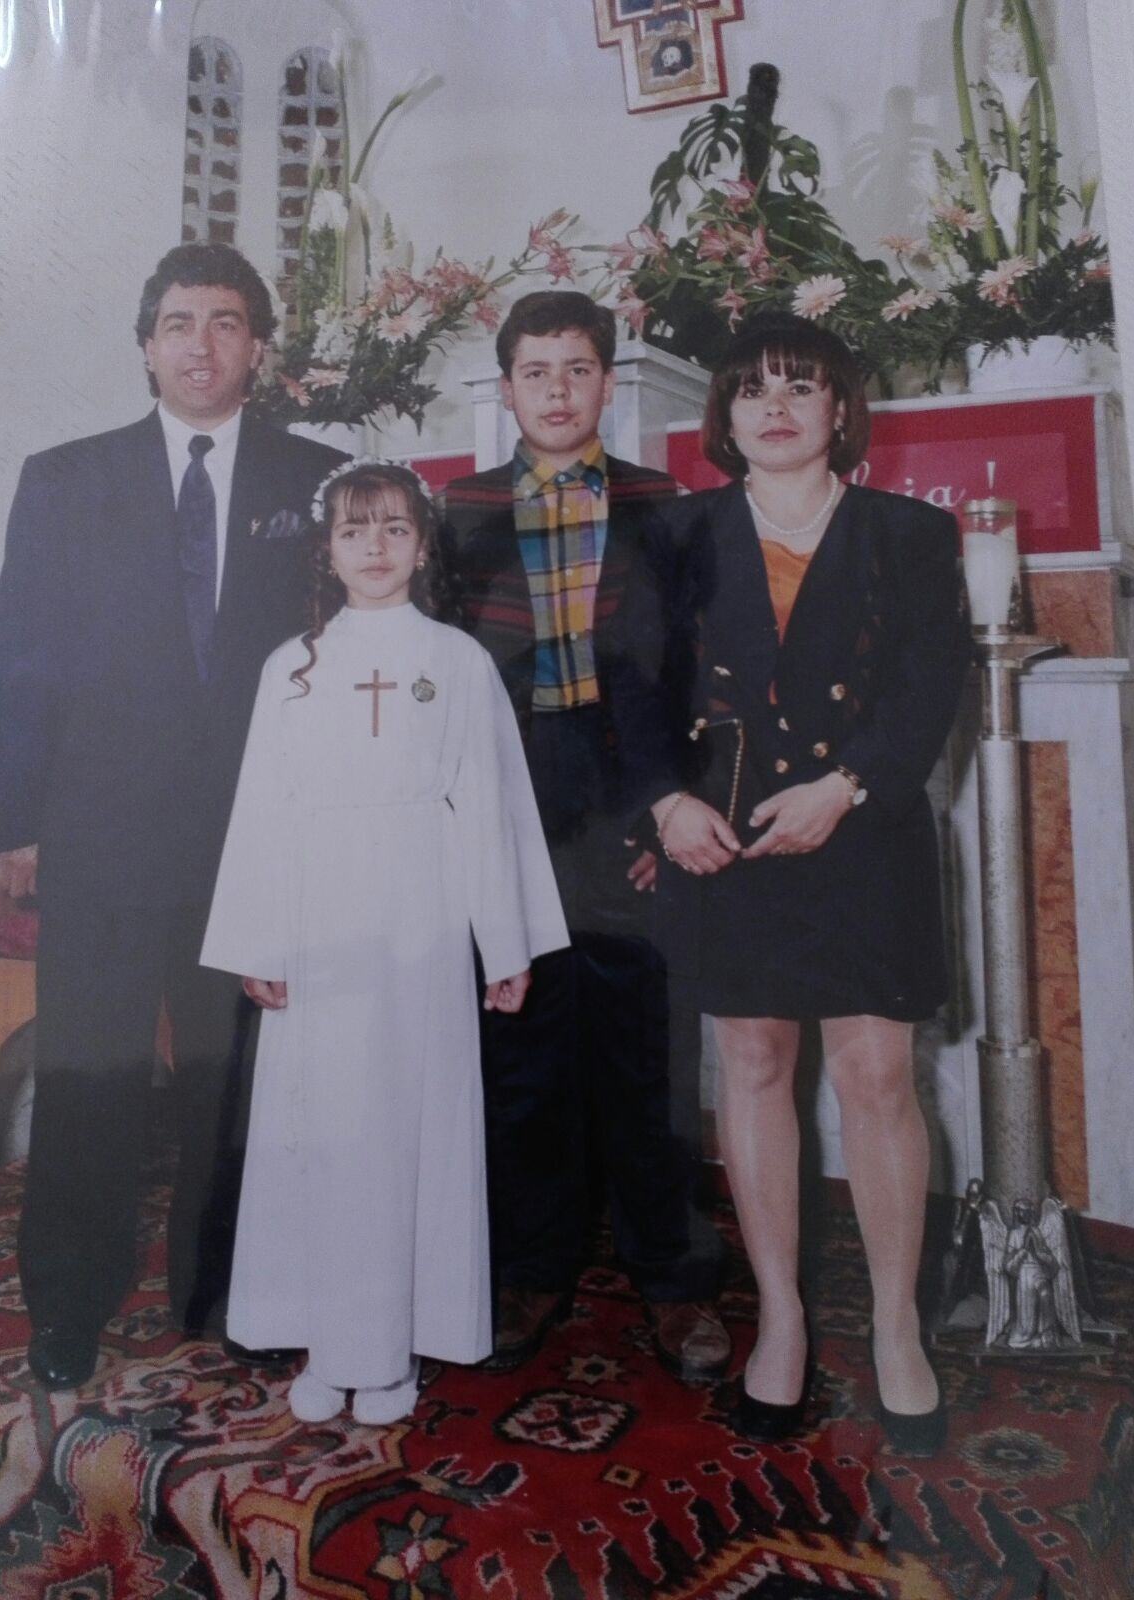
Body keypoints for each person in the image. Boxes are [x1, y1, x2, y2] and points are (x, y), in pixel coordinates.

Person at [0, 242, 346, 1389]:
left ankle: (224, 1290)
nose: (201, 344)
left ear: (259, 348)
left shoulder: (320, 482)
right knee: (89, 1077)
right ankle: (68, 1303)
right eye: (180, 322)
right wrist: (14, 821)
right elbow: (20, 656)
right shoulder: (65, 478)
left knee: (230, 1082)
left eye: (226, 322)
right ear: (145, 346)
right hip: (100, 833)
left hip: (254, 838)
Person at [623, 313, 970, 1454]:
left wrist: (848, 785)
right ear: (724, 418)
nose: (775, 408)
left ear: (839, 409)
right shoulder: (675, 532)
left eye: (801, 386)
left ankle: (898, 1329)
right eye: (753, 390)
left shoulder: (910, 532)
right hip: (725, 836)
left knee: (875, 1075)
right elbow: (633, 687)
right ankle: (781, 1318)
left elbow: (927, 688)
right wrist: (666, 803)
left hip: (862, 833)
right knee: (756, 1064)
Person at [200, 461, 568, 1424]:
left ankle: (393, 1349)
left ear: (423, 546)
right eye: (354, 530)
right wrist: (259, 940)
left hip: (420, 917)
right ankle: (329, 1343)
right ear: (326, 548)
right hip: (317, 916)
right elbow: (262, 808)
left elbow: (489, 805)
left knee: (406, 1127)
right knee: (321, 1126)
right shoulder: (292, 664)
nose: (375, 547)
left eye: (396, 528)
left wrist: (507, 944)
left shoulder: (457, 661)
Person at [440, 291, 730, 1383]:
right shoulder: (458, 511)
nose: (557, 391)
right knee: (521, 1037)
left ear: (609, 381)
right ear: (506, 386)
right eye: (535, 371)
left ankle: (675, 1279)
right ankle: (531, 1267)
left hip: (632, 784)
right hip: (512, 785)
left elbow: (703, 667)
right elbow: (439, 670)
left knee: (648, 1043)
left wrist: (677, 800)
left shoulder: (668, 506)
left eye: (577, 369)